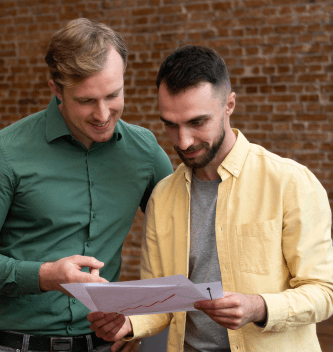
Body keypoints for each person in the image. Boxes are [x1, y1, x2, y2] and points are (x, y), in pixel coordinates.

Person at [0, 18, 173, 352]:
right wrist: (46, 275)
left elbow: (181, 231)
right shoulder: (4, 152)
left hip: (104, 345)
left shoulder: (144, 150)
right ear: (56, 88)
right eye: (86, 101)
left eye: (113, 95)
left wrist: (138, 321)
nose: (102, 113)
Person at [87, 45, 333, 352]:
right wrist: (130, 323)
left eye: (197, 122)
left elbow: (324, 293)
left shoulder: (291, 183)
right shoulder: (162, 196)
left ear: (229, 105)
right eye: (171, 125)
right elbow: (161, 301)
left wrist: (258, 307)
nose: (184, 141)